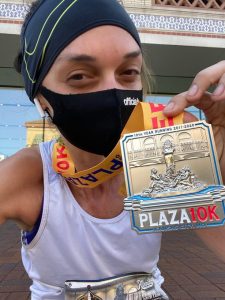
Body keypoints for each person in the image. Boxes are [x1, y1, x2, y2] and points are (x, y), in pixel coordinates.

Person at [0, 0, 225, 299]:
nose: (112, 90)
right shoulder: (29, 176)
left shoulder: (159, 154)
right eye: (79, 76)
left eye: (128, 72)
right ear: (42, 99)